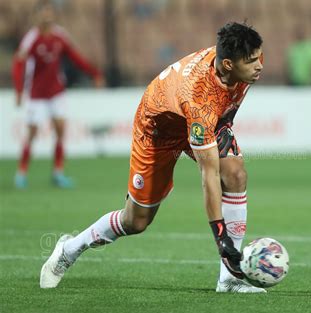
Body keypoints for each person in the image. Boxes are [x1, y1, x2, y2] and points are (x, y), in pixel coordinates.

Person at [40, 22, 266, 293]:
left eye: (258, 57)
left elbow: (226, 104)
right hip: (157, 131)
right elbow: (208, 175)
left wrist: (223, 125)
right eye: (251, 61)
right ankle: (68, 250)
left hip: (203, 121)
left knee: (235, 174)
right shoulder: (198, 96)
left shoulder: (240, 63)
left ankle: (229, 279)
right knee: (136, 221)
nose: (259, 65)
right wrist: (221, 238)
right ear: (228, 64)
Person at [12, 0, 104, 189]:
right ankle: (21, 173)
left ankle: (58, 172)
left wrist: (94, 73)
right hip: (36, 93)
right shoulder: (32, 38)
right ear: (36, 16)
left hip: (56, 91)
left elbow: (75, 56)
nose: (47, 15)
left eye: (49, 11)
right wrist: (19, 89)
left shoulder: (59, 35)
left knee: (60, 129)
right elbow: (18, 63)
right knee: (32, 133)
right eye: (43, 12)